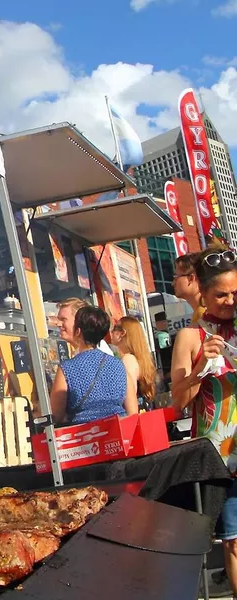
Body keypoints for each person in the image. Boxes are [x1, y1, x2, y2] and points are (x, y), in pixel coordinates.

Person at [171, 248, 237, 597]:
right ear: (204, 294)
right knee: (235, 543)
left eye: (236, 294)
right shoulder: (190, 337)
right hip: (221, 459)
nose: (229, 301)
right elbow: (178, 401)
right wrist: (200, 367)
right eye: (221, 295)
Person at [50, 306, 138, 425]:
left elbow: (56, 415)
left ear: (78, 332)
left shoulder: (67, 369)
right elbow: (133, 413)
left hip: (84, 437)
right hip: (119, 433)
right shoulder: (119, 365)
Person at [111, 316, 156, 411]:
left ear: (122, 333)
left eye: (115, 328)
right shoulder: (139, 359)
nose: (111, 331)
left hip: (134, 416)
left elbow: (129, 394)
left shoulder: (128, 360)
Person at [173, 252, 205, 323]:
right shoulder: (200, 313)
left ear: (191, 278)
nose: (173, 283)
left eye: (176, 277)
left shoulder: (205, 315)